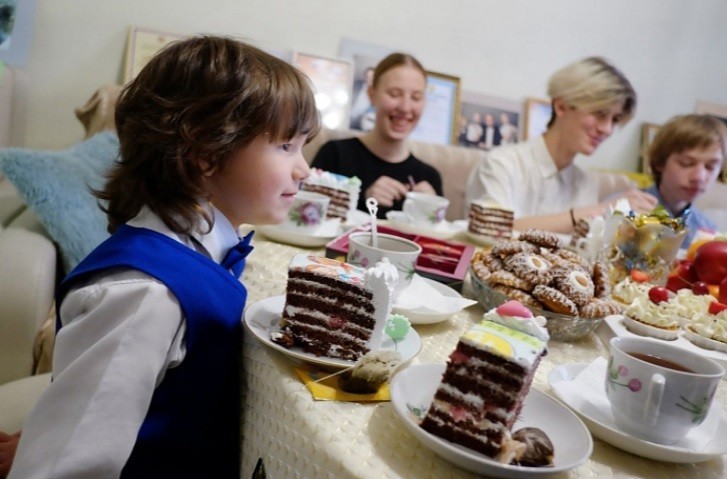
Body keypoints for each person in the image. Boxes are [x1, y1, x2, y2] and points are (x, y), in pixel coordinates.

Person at [5, 35, 319, 479]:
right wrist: (45, 442)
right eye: (287, 146)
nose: (303, 168)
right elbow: (70, 464)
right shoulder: (145, 296)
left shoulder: (201, 253)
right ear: (206, 154)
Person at [466, 56, 658, 234]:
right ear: (561, 106)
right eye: (599, 113)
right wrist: (599, 210)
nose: (607, 129)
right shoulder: (501, 164)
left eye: (614, 119)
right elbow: (497, 232)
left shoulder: (586, 183)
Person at [311, 52, 443, 219]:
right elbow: (307, 214)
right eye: (395, 94)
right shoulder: (335, 154)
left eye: (416, 97)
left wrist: (432, 212)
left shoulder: (430, 177)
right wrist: (363, 201)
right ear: (372, 94)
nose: (405, 108)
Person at [645, 114, 726, 247]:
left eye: (710, 166)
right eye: (686, 163)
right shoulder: (623, 209)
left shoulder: (707, 232)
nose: (699, 177)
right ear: (660, 163)